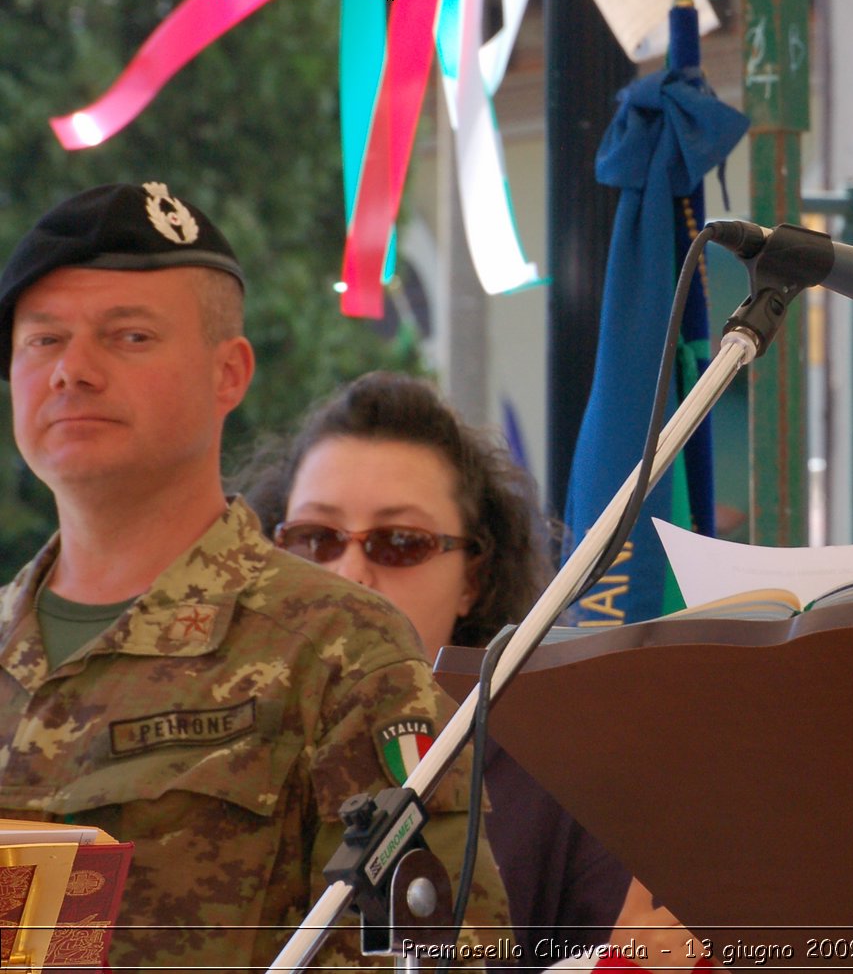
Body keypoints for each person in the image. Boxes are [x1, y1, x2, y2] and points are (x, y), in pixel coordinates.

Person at [0, 183, 509, 970]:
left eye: (128, 336)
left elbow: (431, 955)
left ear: (228, 373)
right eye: (43, 341)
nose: (74, 370)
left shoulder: (341, 652)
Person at [245, 371, 634, 966]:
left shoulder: (563, 773)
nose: (349, 574)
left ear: (472, 581)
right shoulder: (217, 742)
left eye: (400, 542)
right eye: (315, 538)